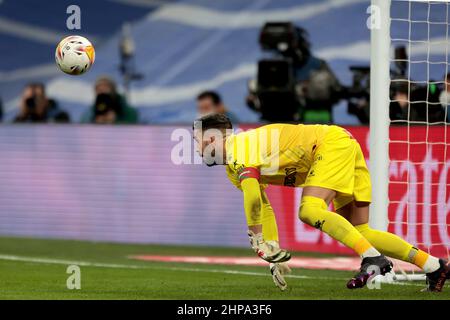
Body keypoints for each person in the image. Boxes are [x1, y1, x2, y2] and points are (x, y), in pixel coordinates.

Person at [193, 113, 450, 292]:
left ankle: (373, 257)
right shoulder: (232, 169)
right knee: (361, 231)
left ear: (214, 138)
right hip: (339, 145)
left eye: (198, 141)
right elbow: (263, 205)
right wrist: (273, 254)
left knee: (308, 210)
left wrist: (256, 235)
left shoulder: (239, 145)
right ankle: (433, 265)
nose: (196, 148)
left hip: (329, 146)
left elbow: (251, 196)